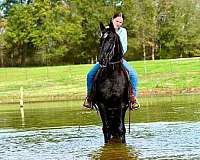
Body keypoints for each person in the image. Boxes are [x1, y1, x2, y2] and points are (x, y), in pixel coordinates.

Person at [83, 12, 140, 109]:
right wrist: (104, 57)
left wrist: (117, 55)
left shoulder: (123, 31)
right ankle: (90, 98)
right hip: (105, 59)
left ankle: (132, 98)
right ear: (112, 20)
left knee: (133, 75)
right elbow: (103, 46)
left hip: (118, 59)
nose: (118, 23)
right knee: (90, 75)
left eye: (120, 22)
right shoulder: (105, 30)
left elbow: (124, 47)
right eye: (117, 21)